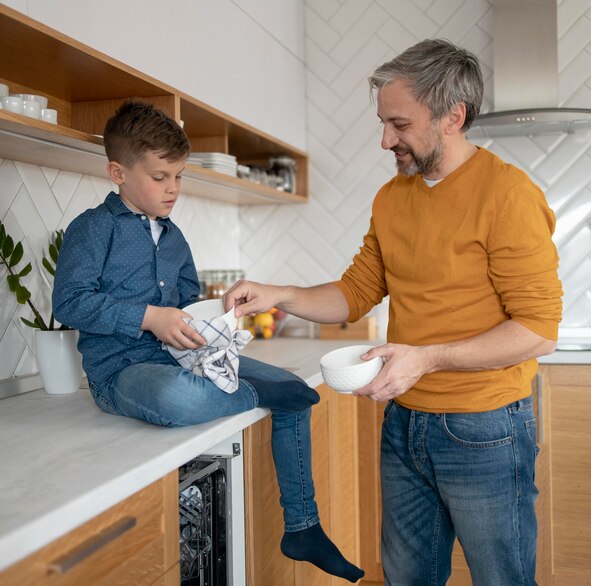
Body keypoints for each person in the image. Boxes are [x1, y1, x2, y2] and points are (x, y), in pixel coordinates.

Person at [224, 39, 563, 586]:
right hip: (404, 423)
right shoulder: (393, 197)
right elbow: (357, 291)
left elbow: (538, 330)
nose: (386, 140)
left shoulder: (508, 195)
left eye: (399, 124)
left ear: (453, 117)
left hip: (485, 428)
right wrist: (280, 293)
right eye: (383, 123)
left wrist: (427, 358)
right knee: (407, 577)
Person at [52, 100, 364, 583]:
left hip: (182, 361)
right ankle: (260, 396)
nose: (173, 188)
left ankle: (303, 525)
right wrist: (148, 317)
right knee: (176, 397)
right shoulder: (92, 229)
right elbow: (70, 302)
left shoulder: (175, 238)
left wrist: (220, 321)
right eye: (160, 177)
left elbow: (189, 303)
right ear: (118, 172)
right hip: (121, 375)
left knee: (295, 389)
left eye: (178, 176)